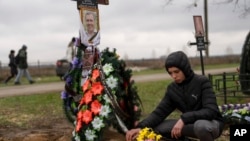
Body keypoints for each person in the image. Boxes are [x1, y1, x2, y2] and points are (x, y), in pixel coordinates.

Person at [126, 51, 224, 141]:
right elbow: (159, 113)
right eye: (170, 73)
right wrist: (140, 127)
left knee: (201, 126)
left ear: (185, 69)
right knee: (156, 128)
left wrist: (184, 119)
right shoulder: (173, 89)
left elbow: (211, 111)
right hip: (189, 124)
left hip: (211, 124)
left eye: (176, 72)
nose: (173, 76)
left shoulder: (202, 82)